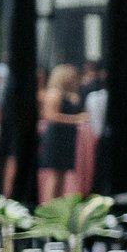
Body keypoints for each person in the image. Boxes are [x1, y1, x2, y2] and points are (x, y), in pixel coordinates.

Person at [36, 64, 82, 202]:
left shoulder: (70, 95)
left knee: (62, 174)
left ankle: (58, 205)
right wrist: (75, 119)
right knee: (55, 175)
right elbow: (50, 115)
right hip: (57, 137)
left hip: (67, 137)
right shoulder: (54, 93)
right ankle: (48, 206)